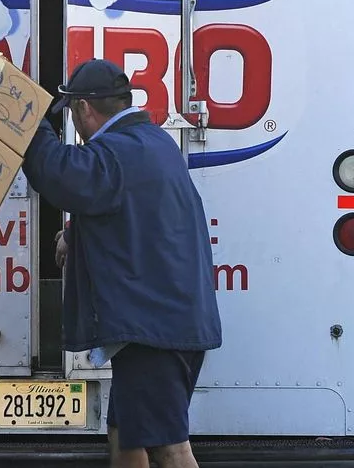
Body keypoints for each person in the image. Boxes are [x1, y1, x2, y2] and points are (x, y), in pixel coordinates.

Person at [21, 59, 223, 468]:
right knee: (125, 435)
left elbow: (58, 173)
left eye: (70, 113)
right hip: (164, 322)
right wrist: (74, 233)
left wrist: (27, 119)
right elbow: (132, 207)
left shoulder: (119, 152)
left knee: (169, 447)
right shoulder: (151, 143)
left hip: (155, 332)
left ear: (83, 108)